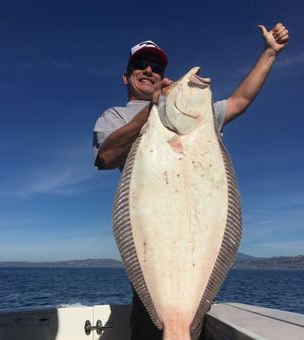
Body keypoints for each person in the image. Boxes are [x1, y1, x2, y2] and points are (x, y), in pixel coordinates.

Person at [93, 23, 289, 339]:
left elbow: (239, 101)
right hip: (154, 238)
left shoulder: (201, 117)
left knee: (190, 325)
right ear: (126, 76)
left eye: (156, 67)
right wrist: (152, 111)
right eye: (140, 65)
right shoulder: (115, 116)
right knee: (148, 326)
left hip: (194, 233)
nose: (148, 70)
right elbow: (106, 156)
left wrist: (269, 53)